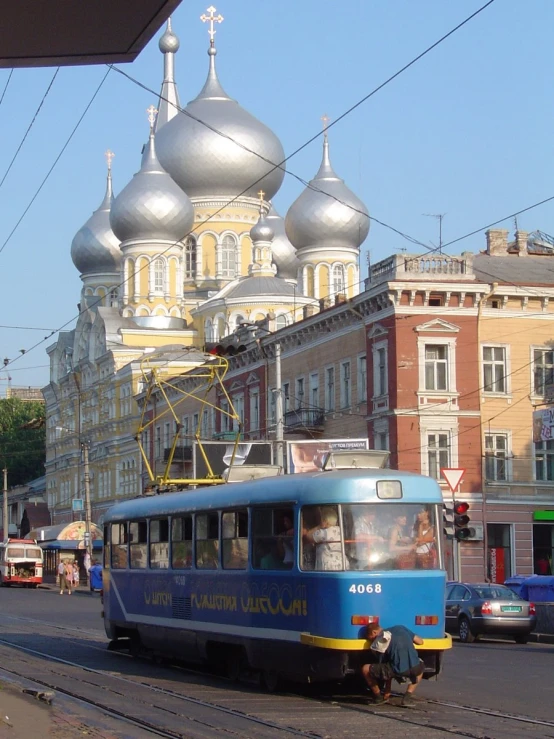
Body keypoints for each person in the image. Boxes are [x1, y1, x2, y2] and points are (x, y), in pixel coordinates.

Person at [362, 623, 425, 707]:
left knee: (365, 669)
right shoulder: (400, 628)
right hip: (415, 668)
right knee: (421, 665)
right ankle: (407, 697)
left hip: (397, 669)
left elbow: (385, 666)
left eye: (371, 638)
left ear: (374, 632)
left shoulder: (381, 639)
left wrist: (387, 690)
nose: (373, 640)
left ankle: (378, 697)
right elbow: (420, 642)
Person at [303, 506, 342, 571]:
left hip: (328, 566)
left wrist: (319, 526)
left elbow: (308, 536)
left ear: (324, 520)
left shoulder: (323, 532)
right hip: (341, 564)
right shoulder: (339, 529)